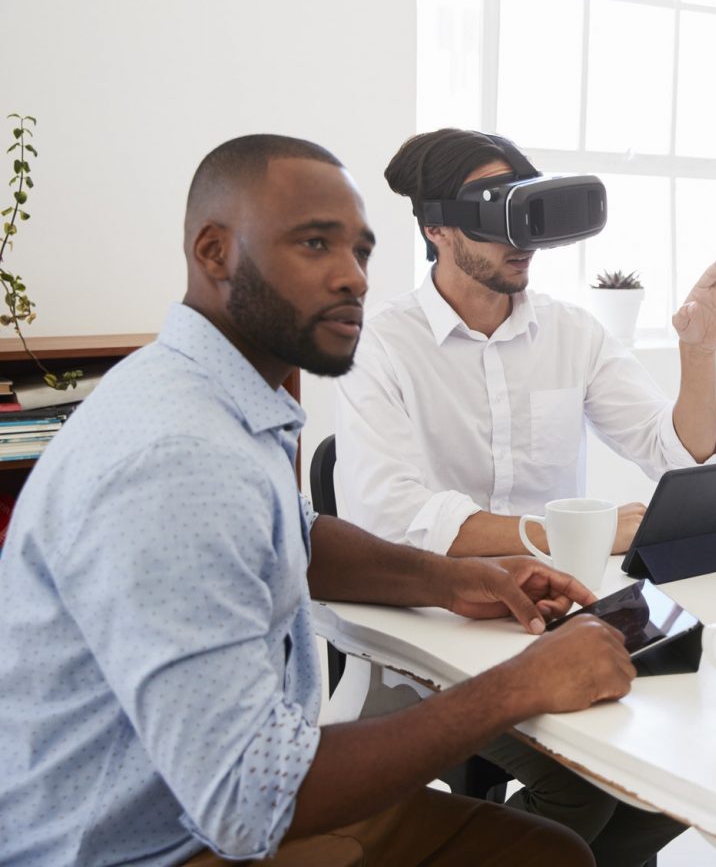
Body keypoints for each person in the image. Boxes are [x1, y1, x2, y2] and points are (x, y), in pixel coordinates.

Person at [0, 135, 636, 866]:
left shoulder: (209, 392)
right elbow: (250, 803)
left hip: (181, 810)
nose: (352, 278)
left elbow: (295, 537)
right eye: (314, 244)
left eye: (361, 252)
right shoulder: (178, 460)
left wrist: (462, 579)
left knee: (549, 846)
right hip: (139, 846)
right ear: (214, 252)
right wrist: (516, 686)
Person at [333, 128, 716, 863]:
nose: (518, 241)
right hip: (433, 631)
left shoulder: (572, 334)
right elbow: (396, 520)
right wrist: (574, 531)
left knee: (685, 764)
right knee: (584, 791)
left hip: (558, 617)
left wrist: (698, 354)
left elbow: (674, 453)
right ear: (434, 227)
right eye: (493, 215)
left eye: (527, 215)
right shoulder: (381, 345)